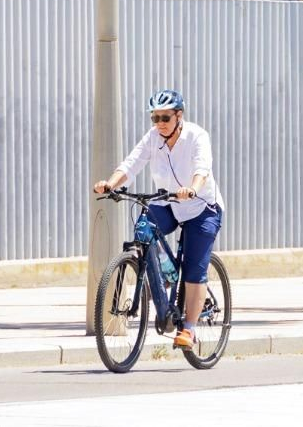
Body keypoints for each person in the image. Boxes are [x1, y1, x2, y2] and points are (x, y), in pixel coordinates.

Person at [93, 89, 224, 350]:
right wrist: (110, 183)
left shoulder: (196, 136)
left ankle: (188, 329)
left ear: (179, 116)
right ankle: (165, 274)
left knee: (193, 269)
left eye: (165, 117)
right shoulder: (154, 138)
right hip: (169, 203)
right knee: (143, 228)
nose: (160, 124)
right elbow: (131, 164)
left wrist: (194, 188)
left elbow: (202, 168)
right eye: (155, 118)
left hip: (201, 207)